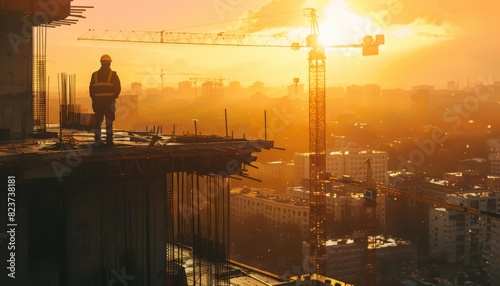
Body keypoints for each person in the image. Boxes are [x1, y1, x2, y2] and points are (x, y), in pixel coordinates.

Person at [89, 54, 121, 147]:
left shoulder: (94, 75)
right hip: (108, 103)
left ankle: (97, 141)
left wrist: (94, 99)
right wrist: (113, 97)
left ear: (101, 63)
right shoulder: (113, 74)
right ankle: (109, 142)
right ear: (109, 63)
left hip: (97, 103)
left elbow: (91, 90)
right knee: (109, 121)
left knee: (98, 122)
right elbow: (118, 88)